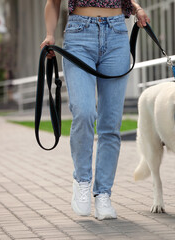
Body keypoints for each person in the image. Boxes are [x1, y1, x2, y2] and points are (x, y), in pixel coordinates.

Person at [40, 0, 150, 220]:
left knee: (110, 123)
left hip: (117, 34)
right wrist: (50, 34)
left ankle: (103, 194)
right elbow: (53, 2)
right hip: (79, 35)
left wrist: (137, 9)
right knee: (84, 111)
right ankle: (82, 180)